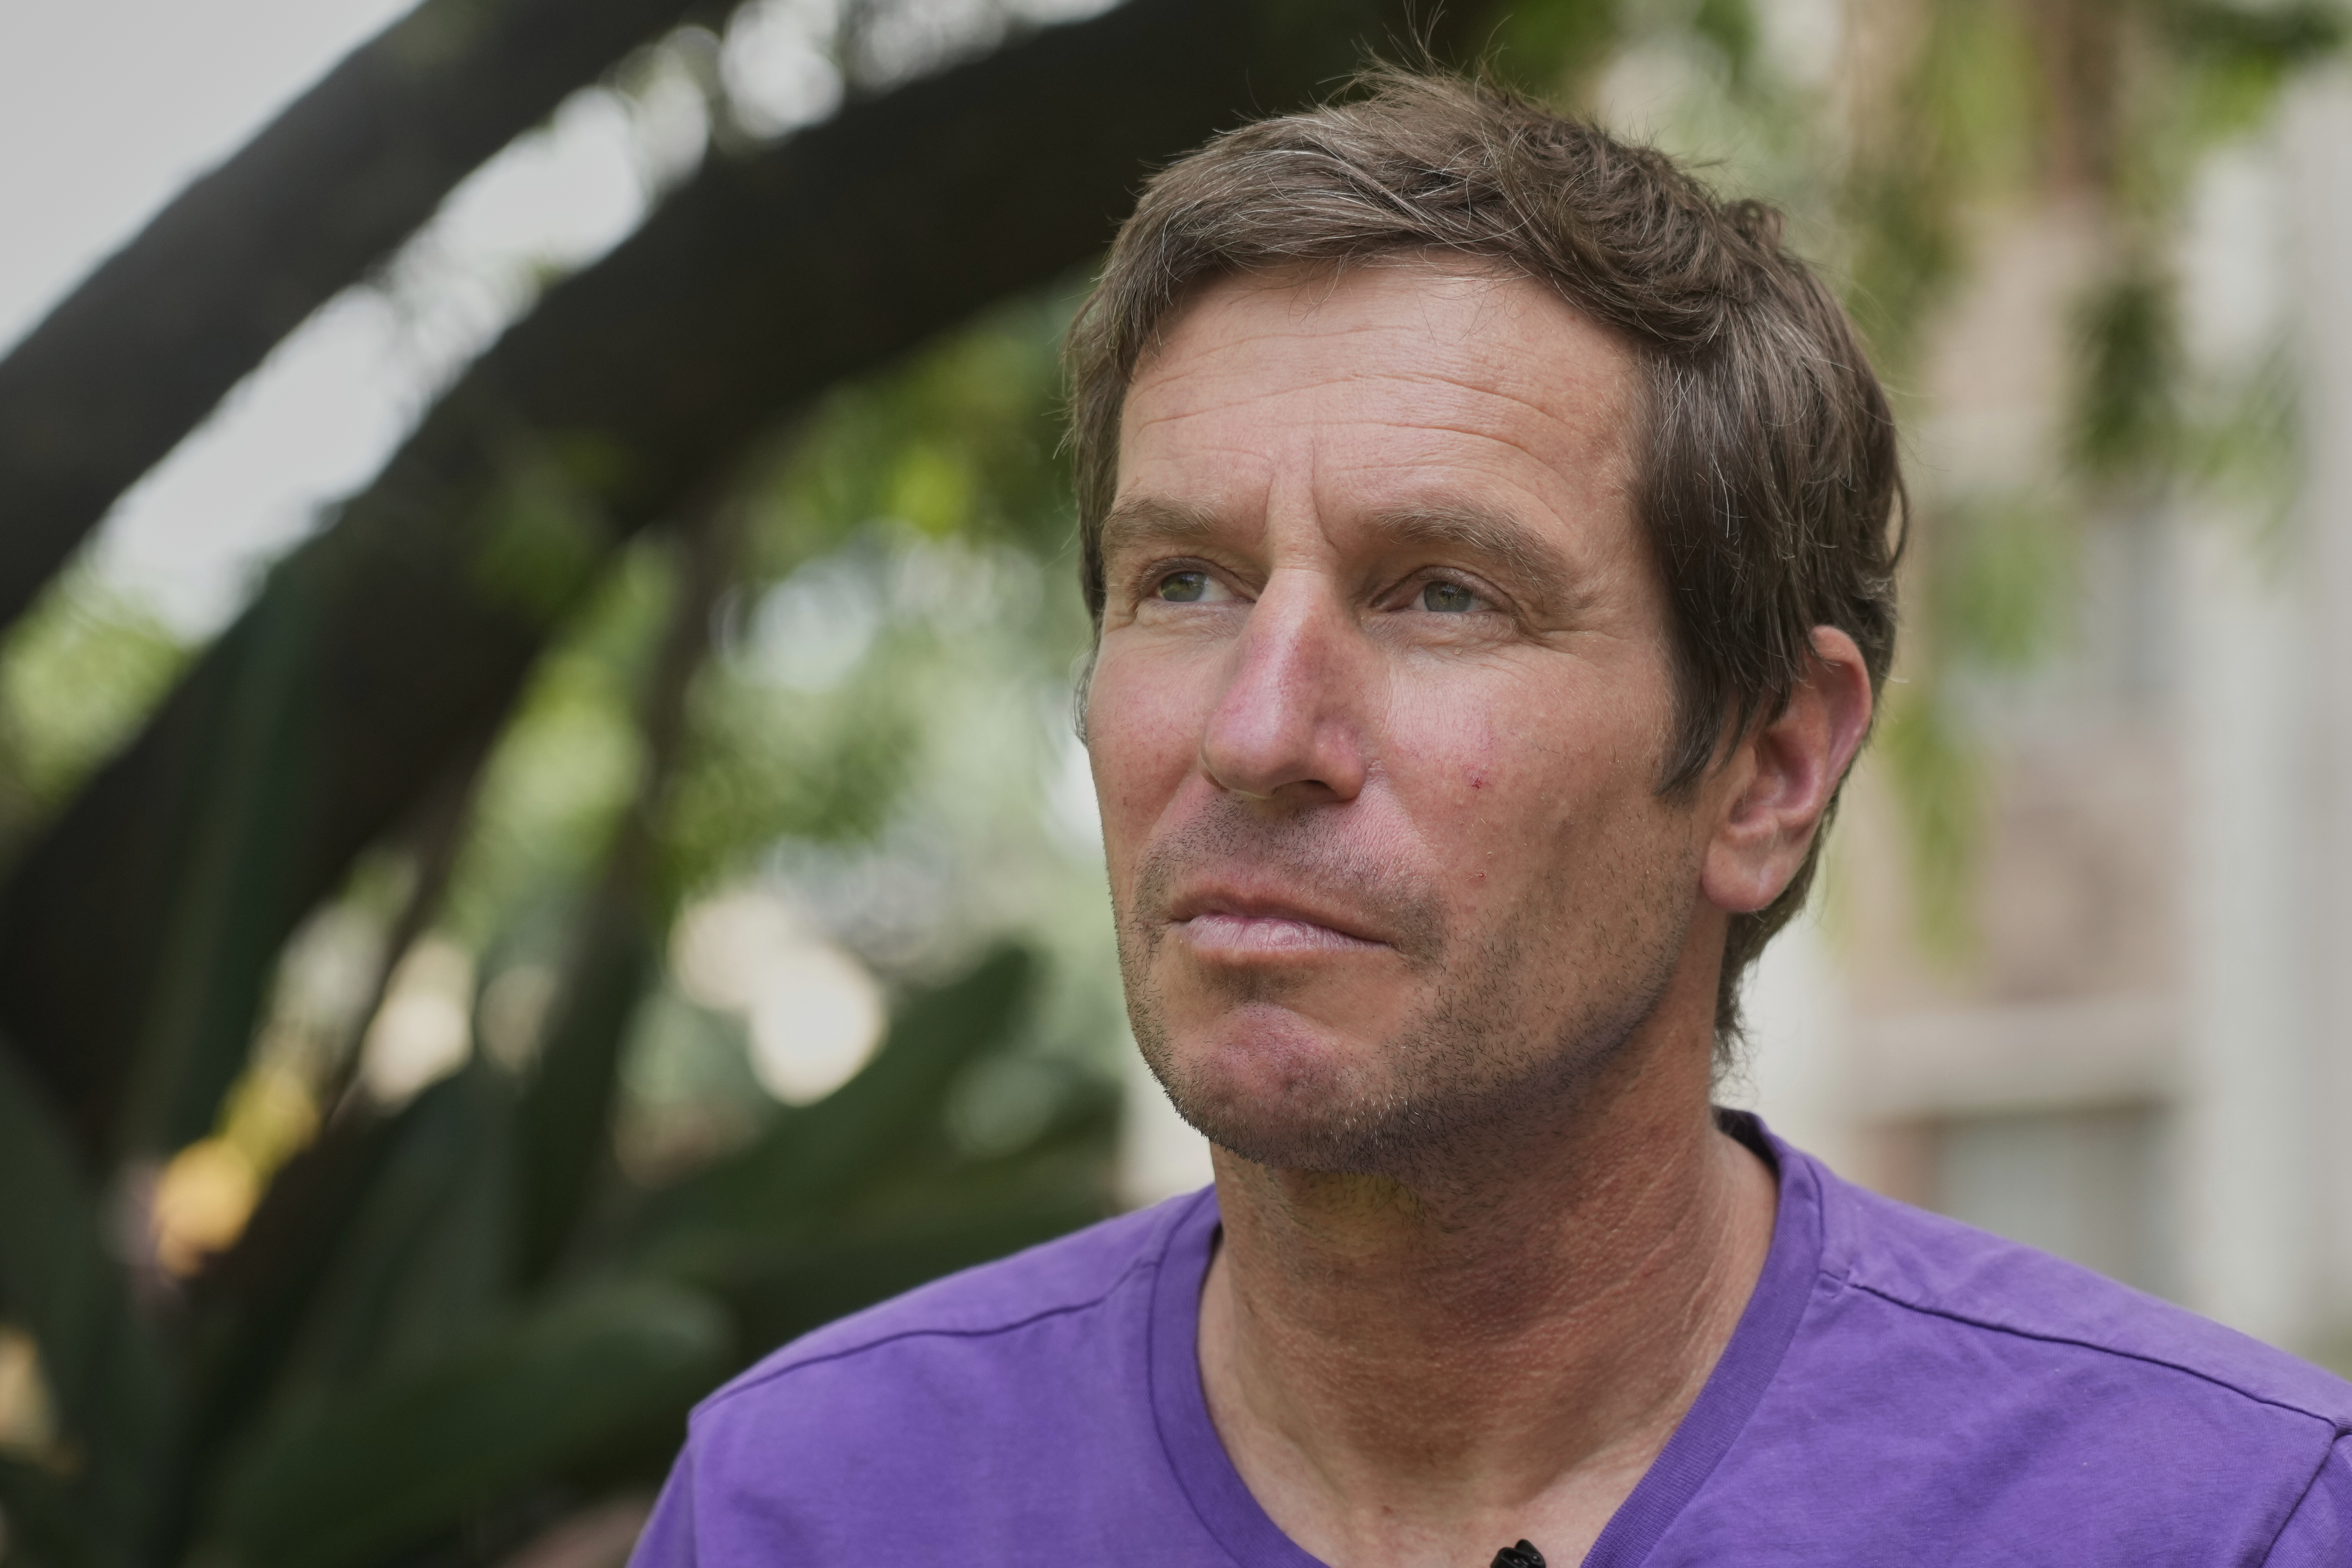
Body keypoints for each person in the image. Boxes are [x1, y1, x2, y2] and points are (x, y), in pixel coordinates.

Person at [628, 70, 2352, 1566]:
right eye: (1186, 584)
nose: (1257, 730)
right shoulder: (809, 1506)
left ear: (1767, 765)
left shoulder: (2211, 1520)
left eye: (1443, 594)